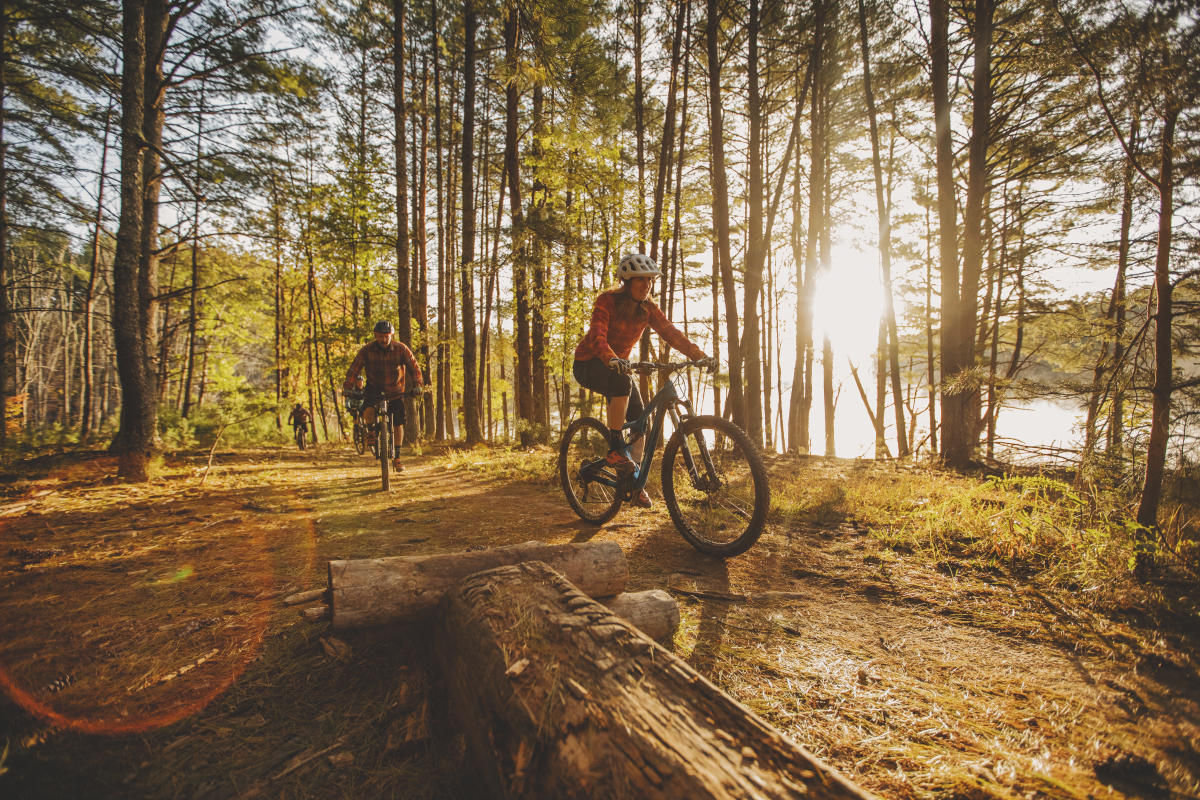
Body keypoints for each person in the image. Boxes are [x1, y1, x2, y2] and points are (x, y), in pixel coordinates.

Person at [573, 253, 715, 509]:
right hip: (588, 363)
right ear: (627, 281)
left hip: (618, 367)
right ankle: (616, 450)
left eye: (650, 280)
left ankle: (632, 482)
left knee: (641, 422)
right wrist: (612, 359)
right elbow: (597, 336)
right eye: (641, 280)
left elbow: (671, 333)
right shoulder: (607, 301)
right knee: (622, 384)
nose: (647, 285)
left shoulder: (648, 309)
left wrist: (699, 355)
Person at [343, 320, 423, 473]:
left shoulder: (401, 349)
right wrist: (348, 387)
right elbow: (354, 369)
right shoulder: (367, 350)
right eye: (380, 336)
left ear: (391, 335)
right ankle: (371, 430)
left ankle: (397, 457)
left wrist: (418, 385)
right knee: (368, 409)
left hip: (395, 390)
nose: (384, 339)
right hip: (374, 388)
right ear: (375, 335)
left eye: (386, 336)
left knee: (398, 423)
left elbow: (414, 367)